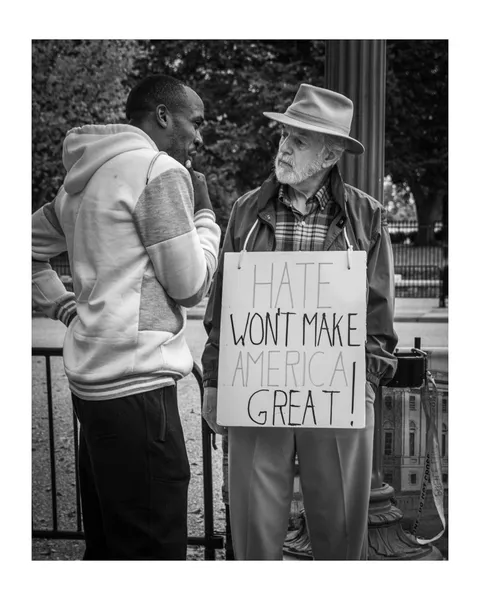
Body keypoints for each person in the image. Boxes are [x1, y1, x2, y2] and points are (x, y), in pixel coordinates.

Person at [201, 83, 398, 560]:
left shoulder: (365, 217)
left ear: (330, 154)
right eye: (284, 135)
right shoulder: (247, 210)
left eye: (299, 140)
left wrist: (366, 381)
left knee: (340, 521)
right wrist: (213, 381)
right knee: (252, 523)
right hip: (256, 391)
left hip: (338, 391)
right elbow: (224, 306)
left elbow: (377, 313)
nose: (284, 148)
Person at [32, 74, 221, 560]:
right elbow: (192, 285)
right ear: (162, 115)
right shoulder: (157, 170)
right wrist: (205, 219)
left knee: (111, 538)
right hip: (139, 390)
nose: (199, 136)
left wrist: (64, 306)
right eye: (195, 123)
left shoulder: (82, 180)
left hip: (93, 388)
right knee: (151, 545)